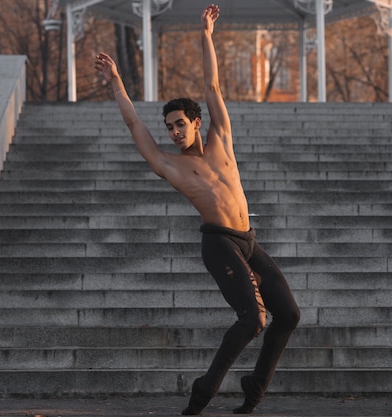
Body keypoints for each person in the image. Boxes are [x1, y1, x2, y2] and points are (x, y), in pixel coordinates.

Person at [94, 4, 300, 415]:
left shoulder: (221, 137)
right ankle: (201, 395)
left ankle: (254, 389)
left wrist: (206, 35)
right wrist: (117, 81)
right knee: (252, 320)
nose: (172, 132)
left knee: (289, 315)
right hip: (218, 243)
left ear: (195, 122)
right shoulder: (169, 165)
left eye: (179, 124)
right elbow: (136, 127)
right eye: (169, 126)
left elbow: (212, 84)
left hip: (247, 241)